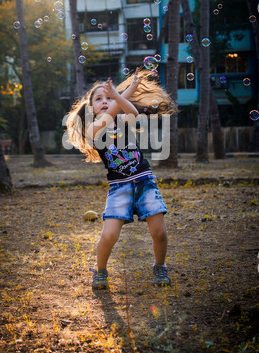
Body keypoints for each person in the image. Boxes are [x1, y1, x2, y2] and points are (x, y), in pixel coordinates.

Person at [65, 67, 177, 289]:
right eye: (99, 99)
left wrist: (125, 92)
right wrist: (120, 93)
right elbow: (109, 115)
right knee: (108, 236)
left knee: (159, 232)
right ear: (91, 109)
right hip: (119, 187)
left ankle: (160, 266)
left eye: (108, 97)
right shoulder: (95, 128)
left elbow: (133, 113)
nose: (105, 102)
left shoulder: (124, 120)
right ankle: (101, 271)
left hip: (144, 181)